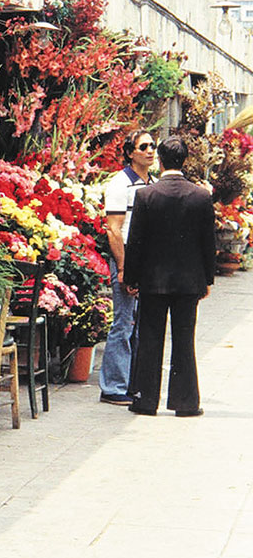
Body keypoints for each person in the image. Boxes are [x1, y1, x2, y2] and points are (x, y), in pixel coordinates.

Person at [124, 136, 216, 417]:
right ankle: (186, 401)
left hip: (153, 281)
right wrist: (208, 279)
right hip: (189, 281)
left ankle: (145, 400)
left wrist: (131, 278)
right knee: (185, 339)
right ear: (184, 160)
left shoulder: (146, 195)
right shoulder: (201, 196)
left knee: (150, 338)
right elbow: (208, 242)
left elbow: (135, 240)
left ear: (160, 160)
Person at [99, 131, 155, 405]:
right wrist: (123, 268)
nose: (150, 151)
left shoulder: (151, 183)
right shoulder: (120, 183)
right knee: (122, 323)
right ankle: (112, 387)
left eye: (153, 146)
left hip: (146, 262)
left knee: (139, 325)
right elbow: (113, 230)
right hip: (127, 260)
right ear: (130, 152)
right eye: (143, 146)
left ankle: (131, 383)